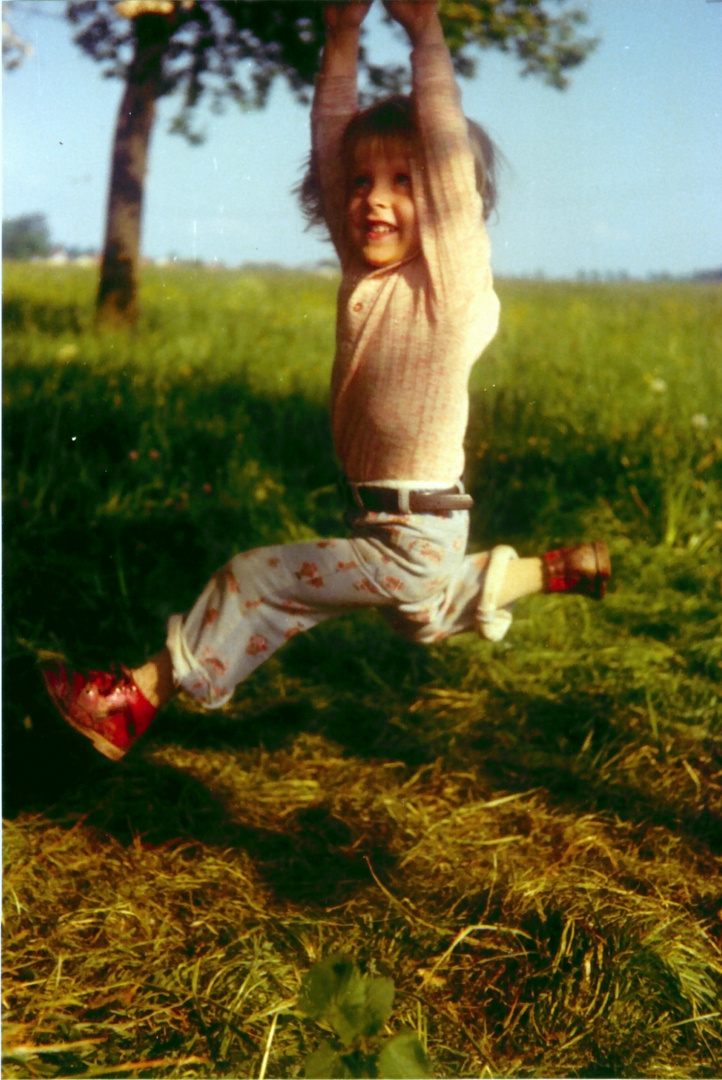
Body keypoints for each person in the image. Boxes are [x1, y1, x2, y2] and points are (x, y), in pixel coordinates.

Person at [43, 0, 610, 763]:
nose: (374, 196)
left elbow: (444, 152)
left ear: (441, 202)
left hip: (415, 534)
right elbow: (331, 146)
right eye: (363, 181)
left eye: (404, 182)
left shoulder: (453, 289)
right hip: (388, 524)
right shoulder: (363, 274)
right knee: (428, 617)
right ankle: (556, 572)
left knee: (255, 581)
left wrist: (425, 35)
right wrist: (340, 38)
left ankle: (134, 699)